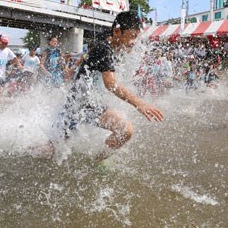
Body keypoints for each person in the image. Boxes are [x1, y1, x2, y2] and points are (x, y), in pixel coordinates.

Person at [57, 10, 164, 160]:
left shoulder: (113, 49)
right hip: (78, 104)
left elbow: (87, 58)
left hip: (92, 102)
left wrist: (74, 69)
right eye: (132, 36)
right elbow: (111, 84)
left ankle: (96, 162)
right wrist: (140, 104)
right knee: (52, 151)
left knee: (125, 130)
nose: (134, 42)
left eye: (137, 37)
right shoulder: (104, 49)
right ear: (117, 31)